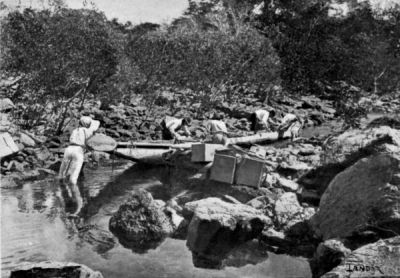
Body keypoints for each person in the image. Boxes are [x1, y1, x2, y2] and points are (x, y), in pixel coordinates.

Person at [59, 116, 100, 186]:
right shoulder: (87, 131)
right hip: (78, 151)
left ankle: (62, 189)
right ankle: (74, 190)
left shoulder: (75, 130)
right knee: (73, 177)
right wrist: (94, 154)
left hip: (68, 149)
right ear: (87, 125)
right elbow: (89, 143)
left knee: (63, 173)